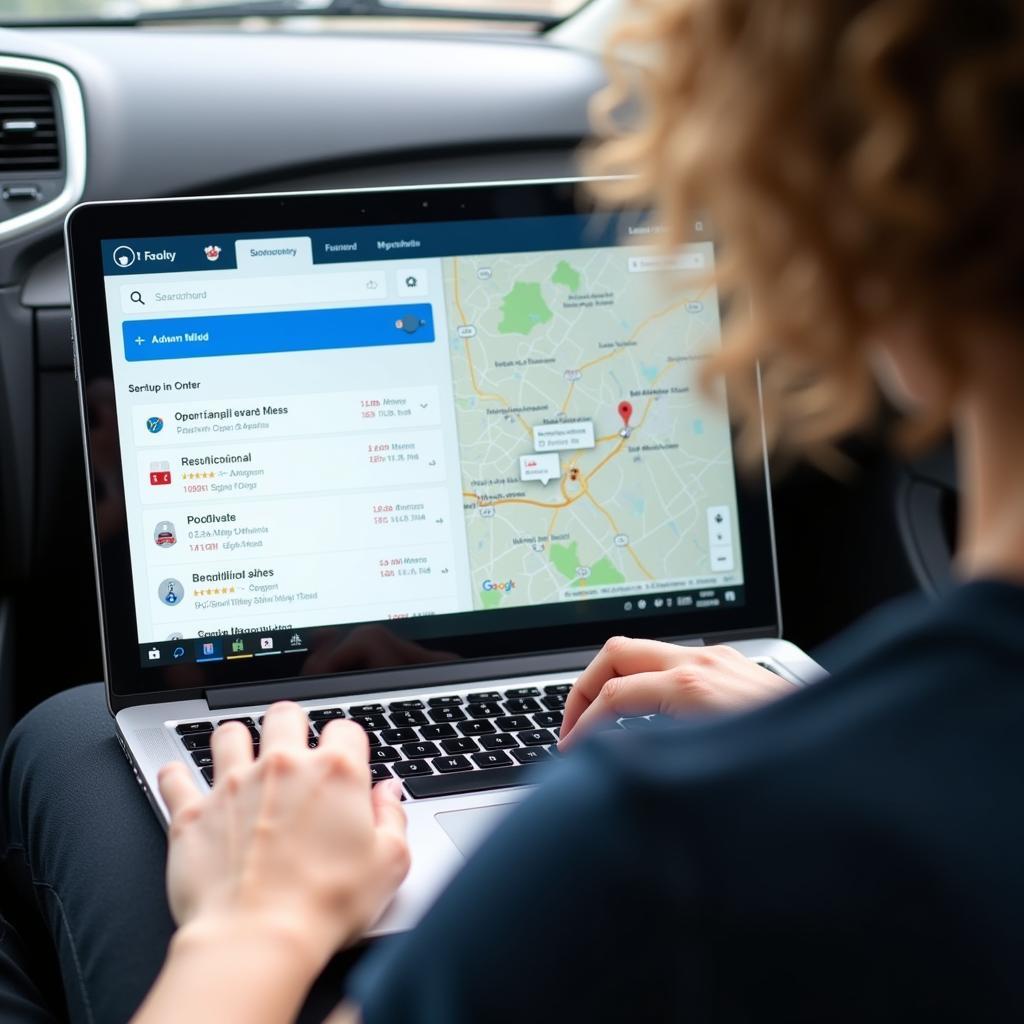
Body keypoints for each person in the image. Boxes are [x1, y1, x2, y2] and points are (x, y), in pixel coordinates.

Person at [5, 0, 1024, 1019]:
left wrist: (257, 922)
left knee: (59, 740)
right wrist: (817, 726)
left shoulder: (656, 841)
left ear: (868, 201)